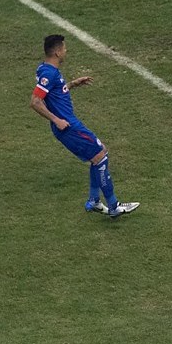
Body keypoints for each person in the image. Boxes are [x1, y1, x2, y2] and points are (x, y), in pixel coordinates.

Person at [30, 34, 139, 218]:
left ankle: (94, 201)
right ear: (57, 52)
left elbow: (53, 93)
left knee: (99, 154)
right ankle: (113, 206)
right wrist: (56, 120)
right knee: (101, 157)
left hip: (67, 124)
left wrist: (71, 84)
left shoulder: (44, 69)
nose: (66, 51)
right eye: (64, 48)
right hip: (68, 127)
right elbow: (35, 102)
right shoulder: (49, 73)